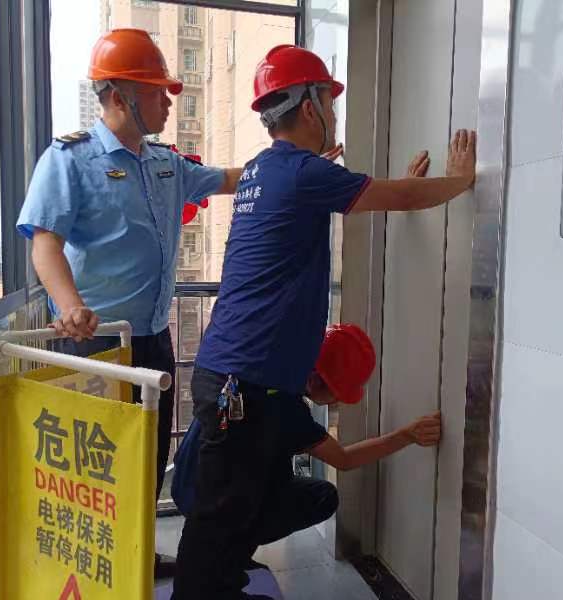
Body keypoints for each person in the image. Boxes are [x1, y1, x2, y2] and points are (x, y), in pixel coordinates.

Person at [172, 44, 476, 600]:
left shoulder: (264, 170)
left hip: (235, 376)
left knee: (230, 510)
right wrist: (457, 182)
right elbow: (402, 197)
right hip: (248, 383)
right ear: (311, 106)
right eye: (330, 102)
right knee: (218, 521)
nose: (334, 112)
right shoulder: (302, 174)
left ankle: (220, 587)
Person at [15, 29, 244, 578]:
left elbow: (225, 179)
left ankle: (136, 559)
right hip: (95, 344)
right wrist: (69, 305)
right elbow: (44, 241)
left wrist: (293, 167)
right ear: (119, 96)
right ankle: (93, 575)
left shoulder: (166, 164)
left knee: (147, 458)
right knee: (95, 469)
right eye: (157, 92)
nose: (169, 101)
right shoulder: (70, 160)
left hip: (153, 340)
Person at [171, 324, 441, 571]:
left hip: (187, 482)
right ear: (313, 380)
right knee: (321, 496)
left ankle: (229, 547)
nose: (337, 401)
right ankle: (231, 551)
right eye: (337, 392)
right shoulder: (287, 410)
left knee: (275, 468)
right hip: (211, 501)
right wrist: (407, 435)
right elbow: (344, 460)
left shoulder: (261, 371)